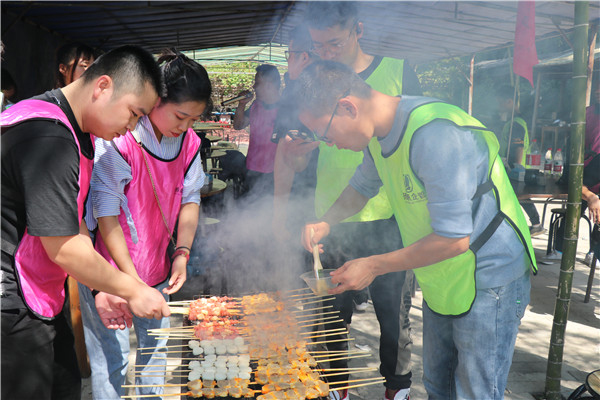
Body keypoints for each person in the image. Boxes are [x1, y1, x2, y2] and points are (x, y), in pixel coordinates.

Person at [297, 60, 537, 399]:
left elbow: (455, 239)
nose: (328, 144)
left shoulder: (435, 134)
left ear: (347, 107)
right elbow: (361, 188)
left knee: (475, 390)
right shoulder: (379, 135)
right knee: (439, 383)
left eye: (325, 134)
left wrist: (374, 265)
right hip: (443, 273)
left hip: (488, 273)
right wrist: (326, 220)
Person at [1, 45, 170, 400]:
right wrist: (133, 289)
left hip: (39, 293)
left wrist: (99, 288)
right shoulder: (47, 136)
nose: (131, 128)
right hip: (11, 304)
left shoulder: (75, 129)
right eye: (134, 113)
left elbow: (69, 219)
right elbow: (64, 247)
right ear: (103, 86)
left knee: (66, 387)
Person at [291, 4, 422, 400]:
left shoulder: (397, 72)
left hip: (389, 217)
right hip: (335, 210)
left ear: (358, 30)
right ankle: (335, 389)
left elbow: (409, 142)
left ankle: (396, 389)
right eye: (318, 45)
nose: (327, 52)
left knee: (393, 313)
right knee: (330, 314)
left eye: (335, 42)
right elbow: (295, 155)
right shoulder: (312, 81)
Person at [79, 49, 209, 399]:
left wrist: (181, 253)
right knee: (112, 360)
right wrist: (131, 284)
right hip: (106, 273)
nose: (185, 127)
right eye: (180, 116)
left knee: (155, 354)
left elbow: (190, 199)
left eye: (193, 119)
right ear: (154, 100)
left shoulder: (190, 143)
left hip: (157, 267)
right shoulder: (119, 139)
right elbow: (106, 215)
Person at [272, 25, 321, 243]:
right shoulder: (347, 81)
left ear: (303, 57)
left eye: (288, 54)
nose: (287, 60)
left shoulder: (295, 93)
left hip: (312, 208)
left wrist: (278, 217)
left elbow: (288, 159)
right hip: (362, 206)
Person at [496, 85, 543, 236]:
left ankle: (530, 225)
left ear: (509, 101)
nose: (498, 106)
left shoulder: (515, 123)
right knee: (521, 198)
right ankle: (536, 223)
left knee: (518, 197)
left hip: (513, 169)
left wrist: (516, 169)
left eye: (500, 102)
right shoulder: (515, 121)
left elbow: (519, 148)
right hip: (513, 168)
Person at [233, 64, 281, 195]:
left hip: (274, 173)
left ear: (269, 85)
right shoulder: (256, 105)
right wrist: (241, 104)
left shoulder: (285, 109)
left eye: (257, 83)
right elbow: (238, 125)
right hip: (251, 169)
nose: (254, 87)